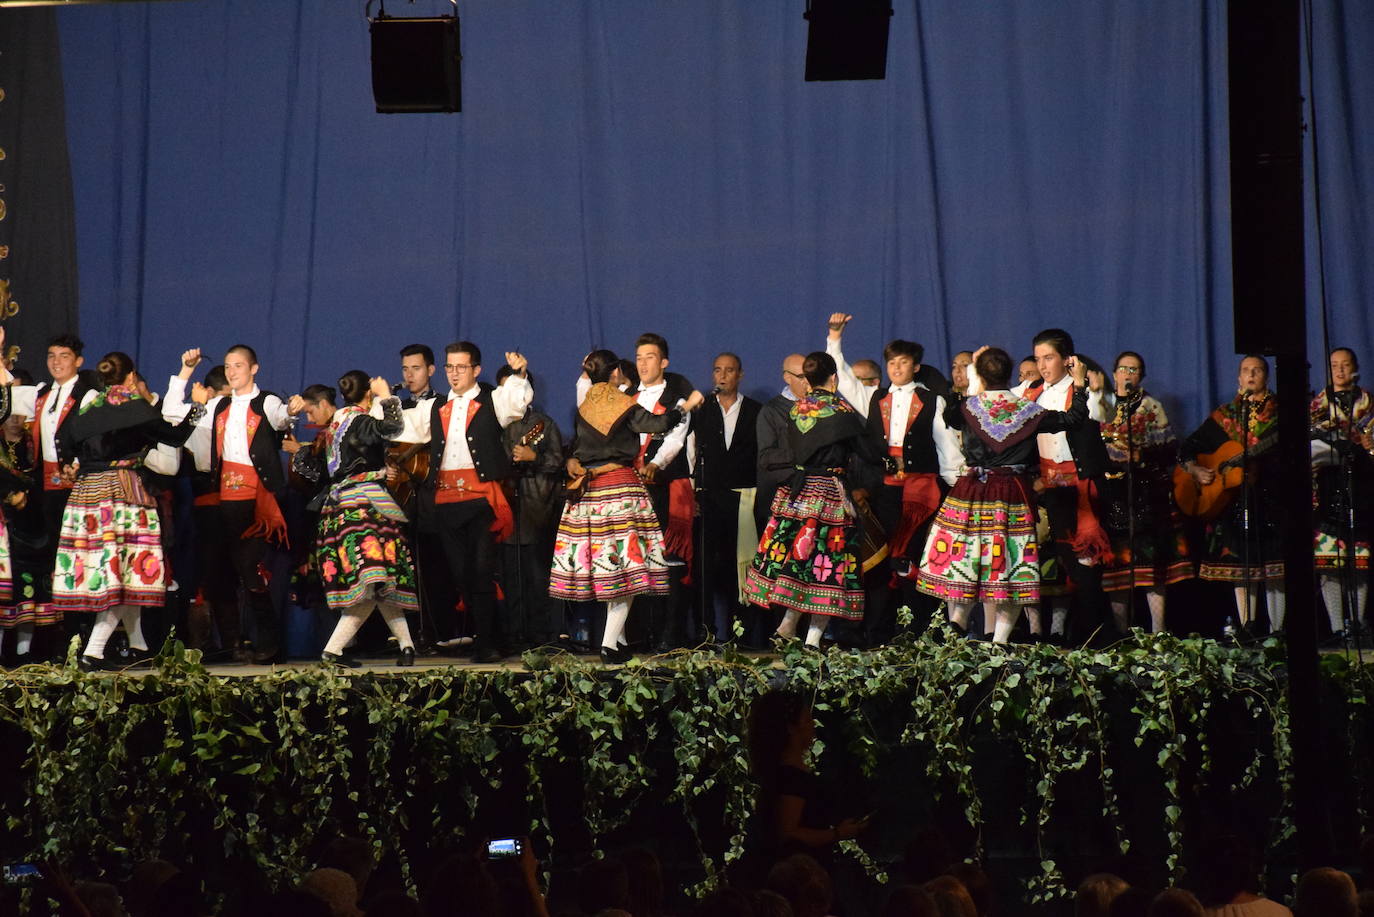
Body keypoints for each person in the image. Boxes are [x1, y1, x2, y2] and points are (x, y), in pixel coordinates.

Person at [916, 346, 1091, 642]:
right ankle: (999, 639)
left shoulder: (968, 407)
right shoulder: (1027, 410)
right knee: (1008, 563)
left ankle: (957, 621)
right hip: (1010, 492)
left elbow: (951, 418)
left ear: (980, 374)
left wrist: (969, 383)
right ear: (1010, 373)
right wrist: (1081, 384)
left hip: (970, 490)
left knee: (966, 557)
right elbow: (1073, 418)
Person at [51, 351, 208, 669]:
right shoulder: (134, 408)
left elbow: (62, 439)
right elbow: (174, 437)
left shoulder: (89, 405)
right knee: (125, 574)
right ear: (131, 376)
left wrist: (71, 464)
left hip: (86, 496)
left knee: (120, 574)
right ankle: (93, 651)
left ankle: (139, 646)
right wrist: (199, 406)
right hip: (122, 494)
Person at [549, 349, 705, 664]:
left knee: (609, 568)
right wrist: (684, 407)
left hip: (591, 493)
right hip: (620, 488)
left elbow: (579, 447)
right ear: (616, 373)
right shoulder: (623, 403)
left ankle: (617, 641)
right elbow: (658, 424)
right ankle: (609, 643)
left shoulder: (585, 407)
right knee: (630, 569)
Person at [745, 351, 886, 647]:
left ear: (807, 379)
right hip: (829, 494)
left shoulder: (797, 409)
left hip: (797, 494)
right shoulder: (842, 410)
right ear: (834, 378)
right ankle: (812, 639)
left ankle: (787, 625)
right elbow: (870, 451)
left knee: (800, 562)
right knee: (828, 567)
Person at [419, 342, 532, 663]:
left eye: (461, 367)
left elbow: (516, 404)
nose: (454, 374)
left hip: (481, 499)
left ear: (476, 370)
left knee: (481, 571)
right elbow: (408, 428)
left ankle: (487, 644)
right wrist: (384, 402)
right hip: (446, 502)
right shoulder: (435, 406)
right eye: (449, 367)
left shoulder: (491, 400)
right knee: (462, 576)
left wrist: (517, 373)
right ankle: (493, 637)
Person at [202, 344, 301, 662]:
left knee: (253, 572)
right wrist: (184, 376)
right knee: (223, 573)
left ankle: (270, 644)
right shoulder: (220, 406)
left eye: (238, 366)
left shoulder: (266, 401)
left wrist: (292, 410)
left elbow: (281, 417)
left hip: (256, 498)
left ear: (253, 369)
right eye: (228, 366)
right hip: (224, 498)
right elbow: (183, 422)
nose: (232, 372)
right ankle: (233, 643)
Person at [862, 335, 961, 642]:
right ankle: (880, 630)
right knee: (883, 559)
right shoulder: (877, 398)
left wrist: (958, 488)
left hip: (921, 492)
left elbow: (947, 449)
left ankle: (919, 628)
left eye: (903, 362)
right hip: (886, 490)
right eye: (891, 362)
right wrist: (834, 342)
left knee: (914, 558)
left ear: (916, 366)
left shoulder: (932, 400)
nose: (896, 368)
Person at [1180, 355, 1283, 637]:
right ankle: (1246, 628)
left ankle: (1278, 630)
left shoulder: (1280, 414)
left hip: (1271, 499)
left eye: (1257, 370)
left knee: (1275, 567)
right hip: (1232, 503)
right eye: (1246, 371)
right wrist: (1196, 470)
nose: (1251, 375)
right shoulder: (1225, 416)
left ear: (1267, 376)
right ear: (1238, 378)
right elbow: (1187, 447)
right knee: (1241, 566)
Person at [1022, 328, 1112, 644]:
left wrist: (1089, 386)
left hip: (1083, 485)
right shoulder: (1031, 392)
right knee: (1070, 563)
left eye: (1049, 358)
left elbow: (1103, 414)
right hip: (1053, 489)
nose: (1043, 365)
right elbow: (996, 403)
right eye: (1038, 359)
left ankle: (1096, 638)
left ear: (1067, 359)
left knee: (1088, 564)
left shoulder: (1085, 389)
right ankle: (1085, 634)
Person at [1098, 351, 1192, 634]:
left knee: (1152, 569)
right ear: (1114, 373)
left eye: (1135, 369)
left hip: (1145, 493)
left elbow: (1168, 448)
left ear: (1141, 376)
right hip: (1111, 494)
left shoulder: (1151, 406)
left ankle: (1158, 633)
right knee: (1116, 570)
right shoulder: (1101, 404)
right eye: (1124, 368)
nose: (1128, 374)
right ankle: (1120, 634)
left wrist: (1140, 453)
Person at [624, 332, 696, 650]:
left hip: (665, 487)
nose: (643, 363)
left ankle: (671, 635)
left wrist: (657, 463)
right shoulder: (625, 397)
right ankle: (641, 634)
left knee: (668, 560)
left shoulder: (678, 395)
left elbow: (676, 437)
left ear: (663, 362)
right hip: (632, 489)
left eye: (650, 357)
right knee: (635, 561)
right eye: (639, 358)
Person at [693, 352, 762, 644]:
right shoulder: (701, 410)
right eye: (718, 370)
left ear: (740, 375)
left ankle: (741, 634)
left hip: (743, 500)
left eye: (729, 370)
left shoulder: (757, 411)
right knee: (707, 567)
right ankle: (705, 633)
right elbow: (690, 452)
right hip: (708, 499)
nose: (723, 376)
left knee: (742, 568)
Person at [497, 365, 565, 651]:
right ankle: (513, 634)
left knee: (538, 576)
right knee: (510, 577)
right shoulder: (497, 424)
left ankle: (542, 635)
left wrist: (533, 456)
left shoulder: (544, 424)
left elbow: (558, 462)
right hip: (506, 508)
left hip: (538, 507)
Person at [1309, 347, 1373, 643]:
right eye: (1334, 365)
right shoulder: (1318, 403)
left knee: (1359, 562)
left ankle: (1357, 624)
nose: (1340, 370)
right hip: (1328, 488)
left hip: (1361, 488)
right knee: (1329, 562)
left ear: (1355, 368)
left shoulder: (1368, 402)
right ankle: (1337, 627)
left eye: (1345, 365)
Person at [0, 366, 59, 664]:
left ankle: (26, 652)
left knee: (31, 588)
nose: (14, 418)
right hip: (5, 524)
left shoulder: (32, 444)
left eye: (20, 412)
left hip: (33, 526)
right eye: (9, 412)